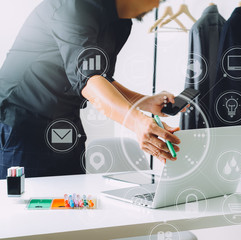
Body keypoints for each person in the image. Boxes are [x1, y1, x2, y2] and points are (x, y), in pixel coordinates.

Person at [0, 0, 181, 179]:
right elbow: (89, 81)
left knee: (73, 202)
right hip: (21, 123)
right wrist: (137, 122)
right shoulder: (72, 7)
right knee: (24, 204)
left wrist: (145, 102)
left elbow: (100, 79)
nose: (157, 5)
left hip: (65, 122)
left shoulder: (121, 24)